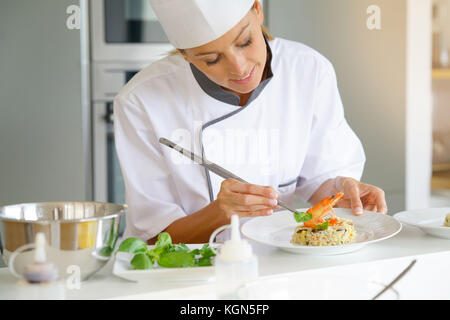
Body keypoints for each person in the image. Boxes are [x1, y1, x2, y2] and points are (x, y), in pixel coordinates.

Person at [114, 0, 388, 244]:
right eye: (211, 59)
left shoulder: (308, 70)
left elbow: (318, 179)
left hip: (282, 265)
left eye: (245, 42)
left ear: (258, 9)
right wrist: (219, 213)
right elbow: (151, 239)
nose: (239, 67)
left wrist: (342, 190)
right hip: (191, 276)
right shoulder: (142, 101)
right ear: (184, 54)